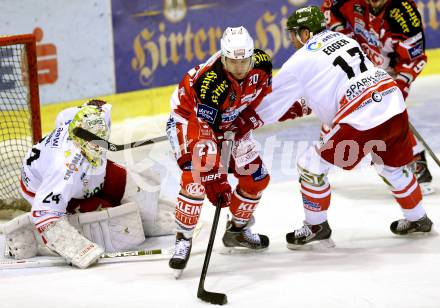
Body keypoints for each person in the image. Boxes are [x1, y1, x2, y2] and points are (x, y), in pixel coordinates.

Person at [255, 6, 433, 248]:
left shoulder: (300, 59)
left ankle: (317, 226)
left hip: (362, 116)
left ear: (305, 33)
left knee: (311, 165)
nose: (291, 39)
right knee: (390, 167)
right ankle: (418, 218)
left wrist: (240, 119)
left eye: (294, 33)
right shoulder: (343, 39)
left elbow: (269, 104)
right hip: (392, 100)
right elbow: (329, 86)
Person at [7, 100, 174, 268]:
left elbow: (76, 112)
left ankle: (149, 219)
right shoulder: (63, 167)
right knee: (107, 218)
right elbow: (44, 212)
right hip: (46, 189)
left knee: (127, 183)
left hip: (86, 169)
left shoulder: (94, 115)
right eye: (93, 143)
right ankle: (35, 236)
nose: (98, 146)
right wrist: (75, 248)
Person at [166, 26, 273, 275]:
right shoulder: (210, 82)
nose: (239, 68)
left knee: (257, 178)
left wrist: (242, 121)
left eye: (244, 61)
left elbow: (260, 96)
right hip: (189, 118)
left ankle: (237, 231)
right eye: (233, 62)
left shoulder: (262, 64)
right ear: (223, 57)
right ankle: (183, 239)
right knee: (195, 179)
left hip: (228, 121)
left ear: (251, 56)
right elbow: (203, 131)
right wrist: (214, 174)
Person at [321, 0, 433, 195]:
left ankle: (416, 164)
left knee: (387, 117)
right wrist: (342, 33)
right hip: (359, 64)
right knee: (336, 110)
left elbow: (415, 59)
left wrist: (398, 87)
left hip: (390, 72)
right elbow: (328, 8)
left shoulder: (404, 14)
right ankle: (320, 165)